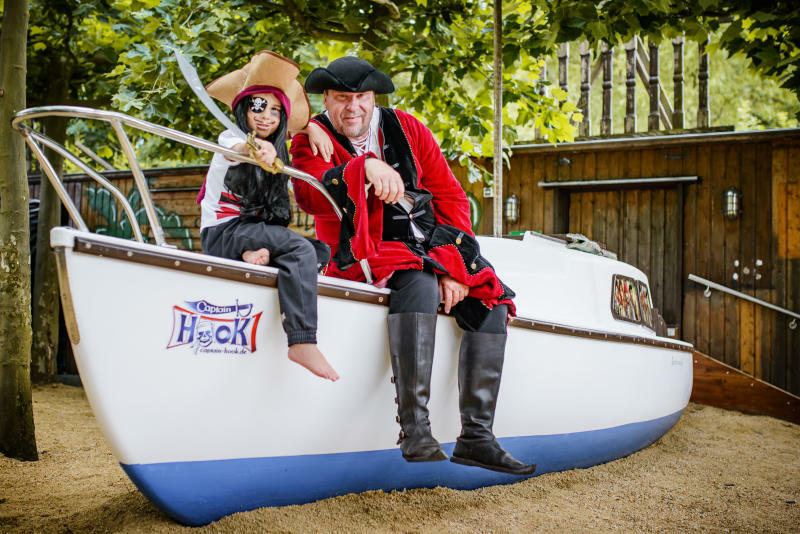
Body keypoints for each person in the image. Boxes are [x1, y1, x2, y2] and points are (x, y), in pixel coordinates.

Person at [289, 56, 536, 475]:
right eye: (341, 98)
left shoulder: (408, 128)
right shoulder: (311, 138)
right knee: (417, 283)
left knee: (491, 298)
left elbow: (451, 198)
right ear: (326, 99)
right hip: (363, 251)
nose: (353, 108)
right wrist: (362, 166)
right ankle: (415, 428)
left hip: (432, 249)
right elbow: (310, 197)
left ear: (374, 97)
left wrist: (455, 267)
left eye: (362, 97)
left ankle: (476, 436)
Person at [199, 50, 339, 382]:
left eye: (276, 111)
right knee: (300, 251)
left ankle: (252, 256)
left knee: (319, 251)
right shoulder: (232, 139)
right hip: (223, 232)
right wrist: (255, 150)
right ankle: (302, 340)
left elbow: (288, 137)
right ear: (242, 109)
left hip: (249, 232)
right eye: (257, 107)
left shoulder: (276, 151)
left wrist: (308, 130)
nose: (266, 116)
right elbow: (237, 151)